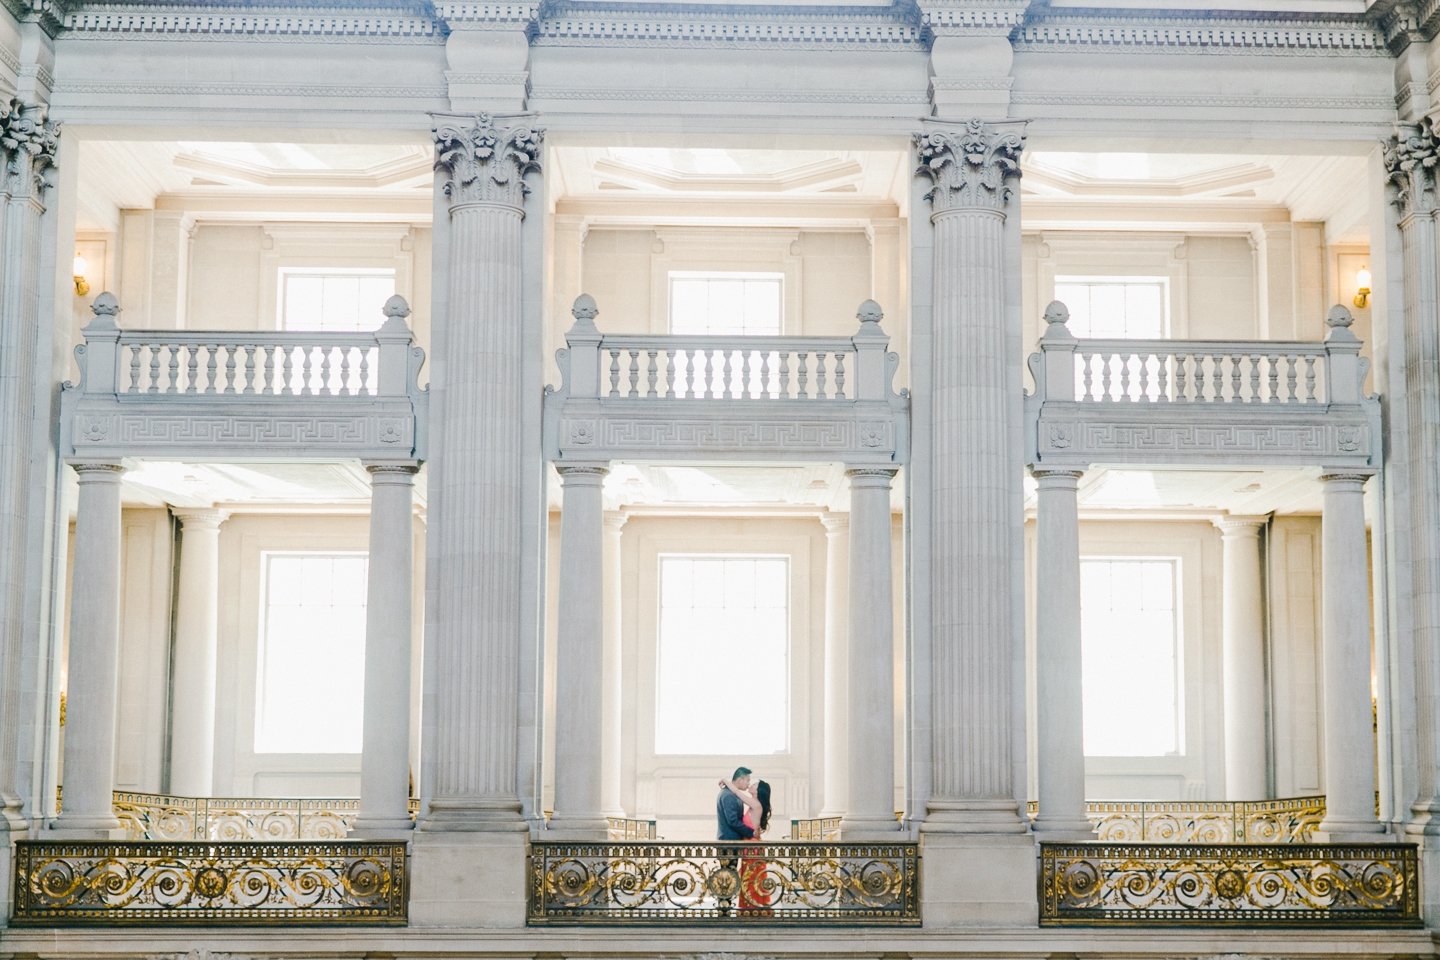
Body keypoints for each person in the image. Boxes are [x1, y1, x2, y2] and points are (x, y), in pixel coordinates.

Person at [719, 774, 773, 916]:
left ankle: (753, 908)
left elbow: (737, 792)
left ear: (758, 791)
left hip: (752, 847)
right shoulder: (753, 803)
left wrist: (725, 780)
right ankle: (750, 907)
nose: (751, 785)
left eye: (754, 784)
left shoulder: (755, 804)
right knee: (749, 876)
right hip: (749, 845)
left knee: (752, 877)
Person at [716, 767, 755, 840]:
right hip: (729, 842)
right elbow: (733, 821)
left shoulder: (728, 793)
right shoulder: (729, 795)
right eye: (748, 781)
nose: (748, 784)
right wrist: (752, 833)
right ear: (740, 780)